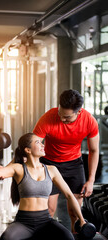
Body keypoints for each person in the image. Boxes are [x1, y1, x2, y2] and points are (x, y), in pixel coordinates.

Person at [0, 133, 86, 240]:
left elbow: (69, 195)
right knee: (6, 238)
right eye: (38, 142)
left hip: (46, 221)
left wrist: (82, 220)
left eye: (42, 142)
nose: (42, 145)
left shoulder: (52, 170)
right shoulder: (18, 169)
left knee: (68, 237)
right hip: (24, 222)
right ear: (28, 150)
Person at [33, 89, 99, 231]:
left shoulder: (89, 121)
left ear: (79, 112)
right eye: (60, 114)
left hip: (74, 165)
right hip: (49, 164)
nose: (62, 119)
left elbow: (94, 150)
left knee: (75, 212)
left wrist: (91, 180)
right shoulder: (48, 117)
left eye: (67, 117)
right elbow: (32, 145)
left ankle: (75, 235)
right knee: (49, 210)